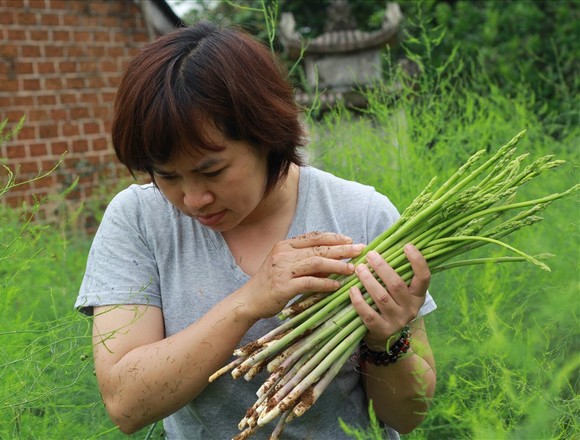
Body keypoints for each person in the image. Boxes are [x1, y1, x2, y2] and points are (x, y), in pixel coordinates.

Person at [75, 21, 437, 440]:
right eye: (167, 176)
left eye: (212, 170)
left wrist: (386, 340)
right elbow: (126, 404)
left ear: (265, 136)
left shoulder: (361, 215)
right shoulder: (139, 219)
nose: (193, 199)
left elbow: (407, 418)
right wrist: (249, 300)